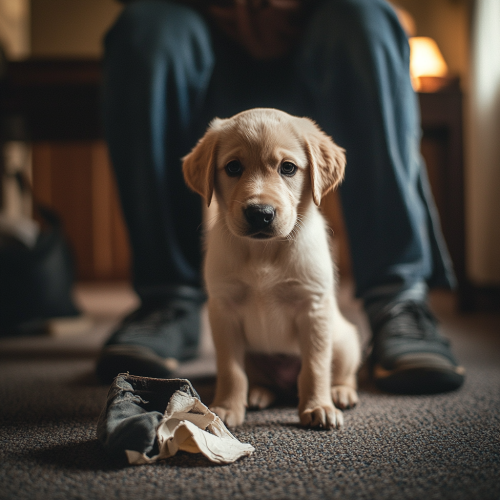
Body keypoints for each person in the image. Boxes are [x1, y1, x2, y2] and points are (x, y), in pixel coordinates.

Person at [96, 0, 465, 395]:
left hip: (318, 29)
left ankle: (398, 300)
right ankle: (166, 301)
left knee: (368, 18)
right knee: (145, 26)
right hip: (201, 30)